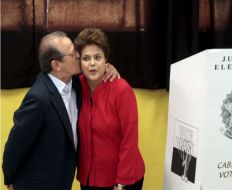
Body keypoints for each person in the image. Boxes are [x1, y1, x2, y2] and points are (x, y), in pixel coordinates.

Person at [2, 31, 119, 190]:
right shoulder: (38, 98)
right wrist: (9, 178)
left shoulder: (76, 83)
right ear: (56, 65)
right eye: (72, 54)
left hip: (63, 179)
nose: (78, 56)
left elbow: (94, 72)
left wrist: (108, 67)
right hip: (37, 183)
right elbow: (15, 145)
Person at [74, 28, 145, 190]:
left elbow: (130, 139)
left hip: (121, 180)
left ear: (106, 60)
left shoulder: (121, 90)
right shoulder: (76, 87)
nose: (92, 63)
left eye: (97, 57)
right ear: (79, 62)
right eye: (86, 58)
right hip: (88, 178)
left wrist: (121, 183)